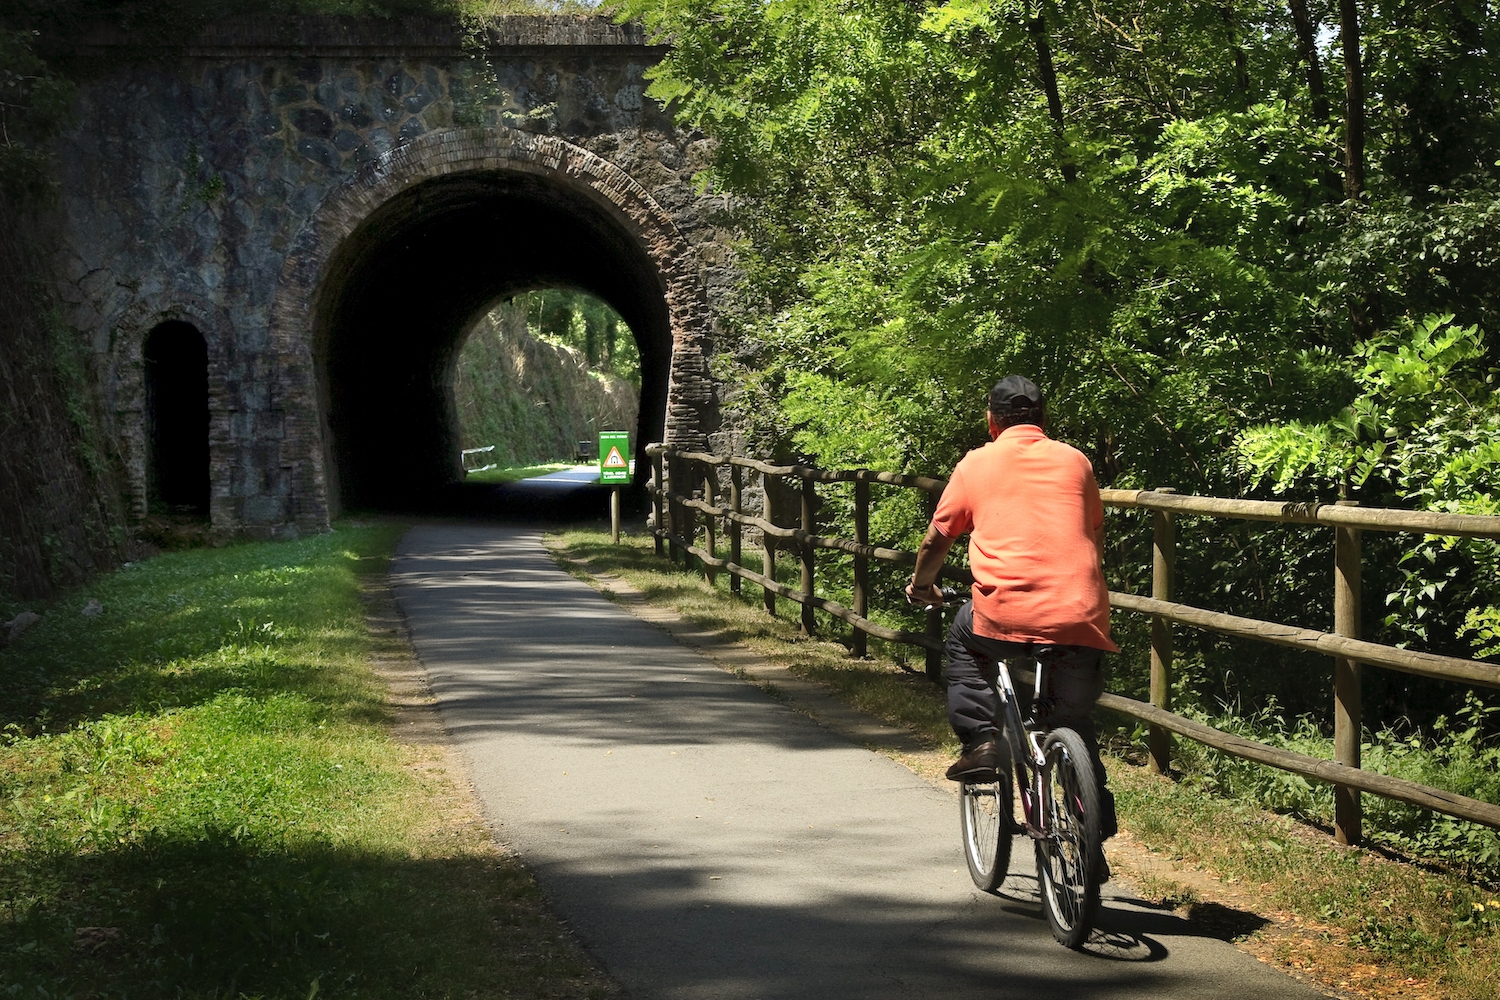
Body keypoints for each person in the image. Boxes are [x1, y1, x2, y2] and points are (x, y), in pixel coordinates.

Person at [905, 374, 1118, 841]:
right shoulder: (1076, 461)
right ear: (1043, 418)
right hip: (1079, 613)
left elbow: (937, 539)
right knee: (1074, 720)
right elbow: (1095, 533)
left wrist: (922, 585)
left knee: (964, 636)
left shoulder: (977, 464)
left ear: (991, 421)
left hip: (1003, 612)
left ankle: (981, 740)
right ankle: (1093, 821)